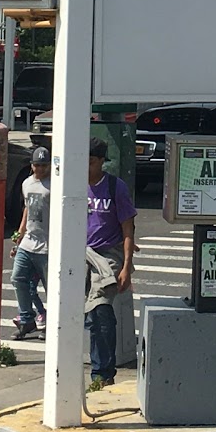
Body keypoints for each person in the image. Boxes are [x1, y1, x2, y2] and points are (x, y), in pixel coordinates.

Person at [85, 138, 137, 390]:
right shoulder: (72, 185)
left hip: (108, 257)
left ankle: (103, 372)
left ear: (102, 161)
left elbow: (128, 227)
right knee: (88, 316)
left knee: (102, 310)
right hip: (80, 255)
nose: (87, 167)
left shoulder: (115, 187)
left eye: (92, 162)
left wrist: (127, 265)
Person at [10, 145, 50, 340]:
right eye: (37, 165)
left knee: (50, 287)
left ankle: (51, 323)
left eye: (44, 165)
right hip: (28, 242)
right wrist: (19, 236)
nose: (40, 169)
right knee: (18, 279)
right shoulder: (26, 183)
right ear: (32, 165)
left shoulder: (55, 184)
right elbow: (27, 209)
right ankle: (27, 319)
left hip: (48, 245)